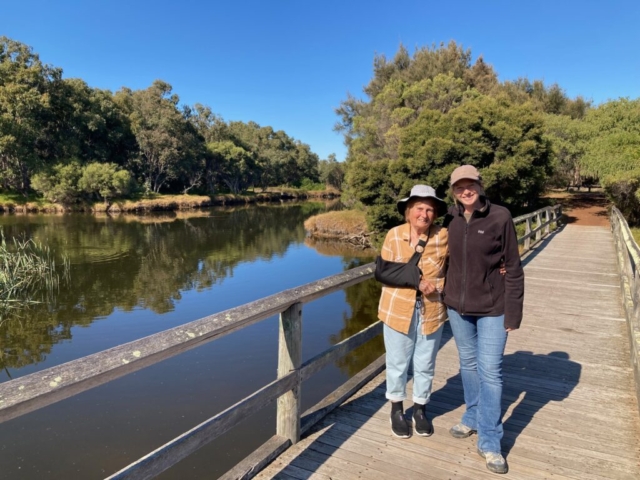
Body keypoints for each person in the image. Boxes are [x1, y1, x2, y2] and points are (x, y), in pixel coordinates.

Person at [443, 165, 525, 474]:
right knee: (468, 363)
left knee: (491, 371)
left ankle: (490, 441)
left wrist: (514, 311)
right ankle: (472, 416)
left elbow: (514, 266)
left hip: (493, 307)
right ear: (453, 190)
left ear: (480, 185)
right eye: (459, 187)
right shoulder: (448, 218)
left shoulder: (500, 217)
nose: (466, 191)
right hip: (457, 307)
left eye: (471, 185)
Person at [378, 184, 449, 438]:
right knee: (397, 363)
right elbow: (383, 272)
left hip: (432, 311)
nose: (424, 214)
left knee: (425, 363)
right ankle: (396, 409)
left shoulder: (443, 236)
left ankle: (420, 408)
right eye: (419, 208)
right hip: (397, 309)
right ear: (408, 211)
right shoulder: (394, 235)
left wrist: (501, 264)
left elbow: (460, 265)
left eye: (430, 209)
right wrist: (416, 281)